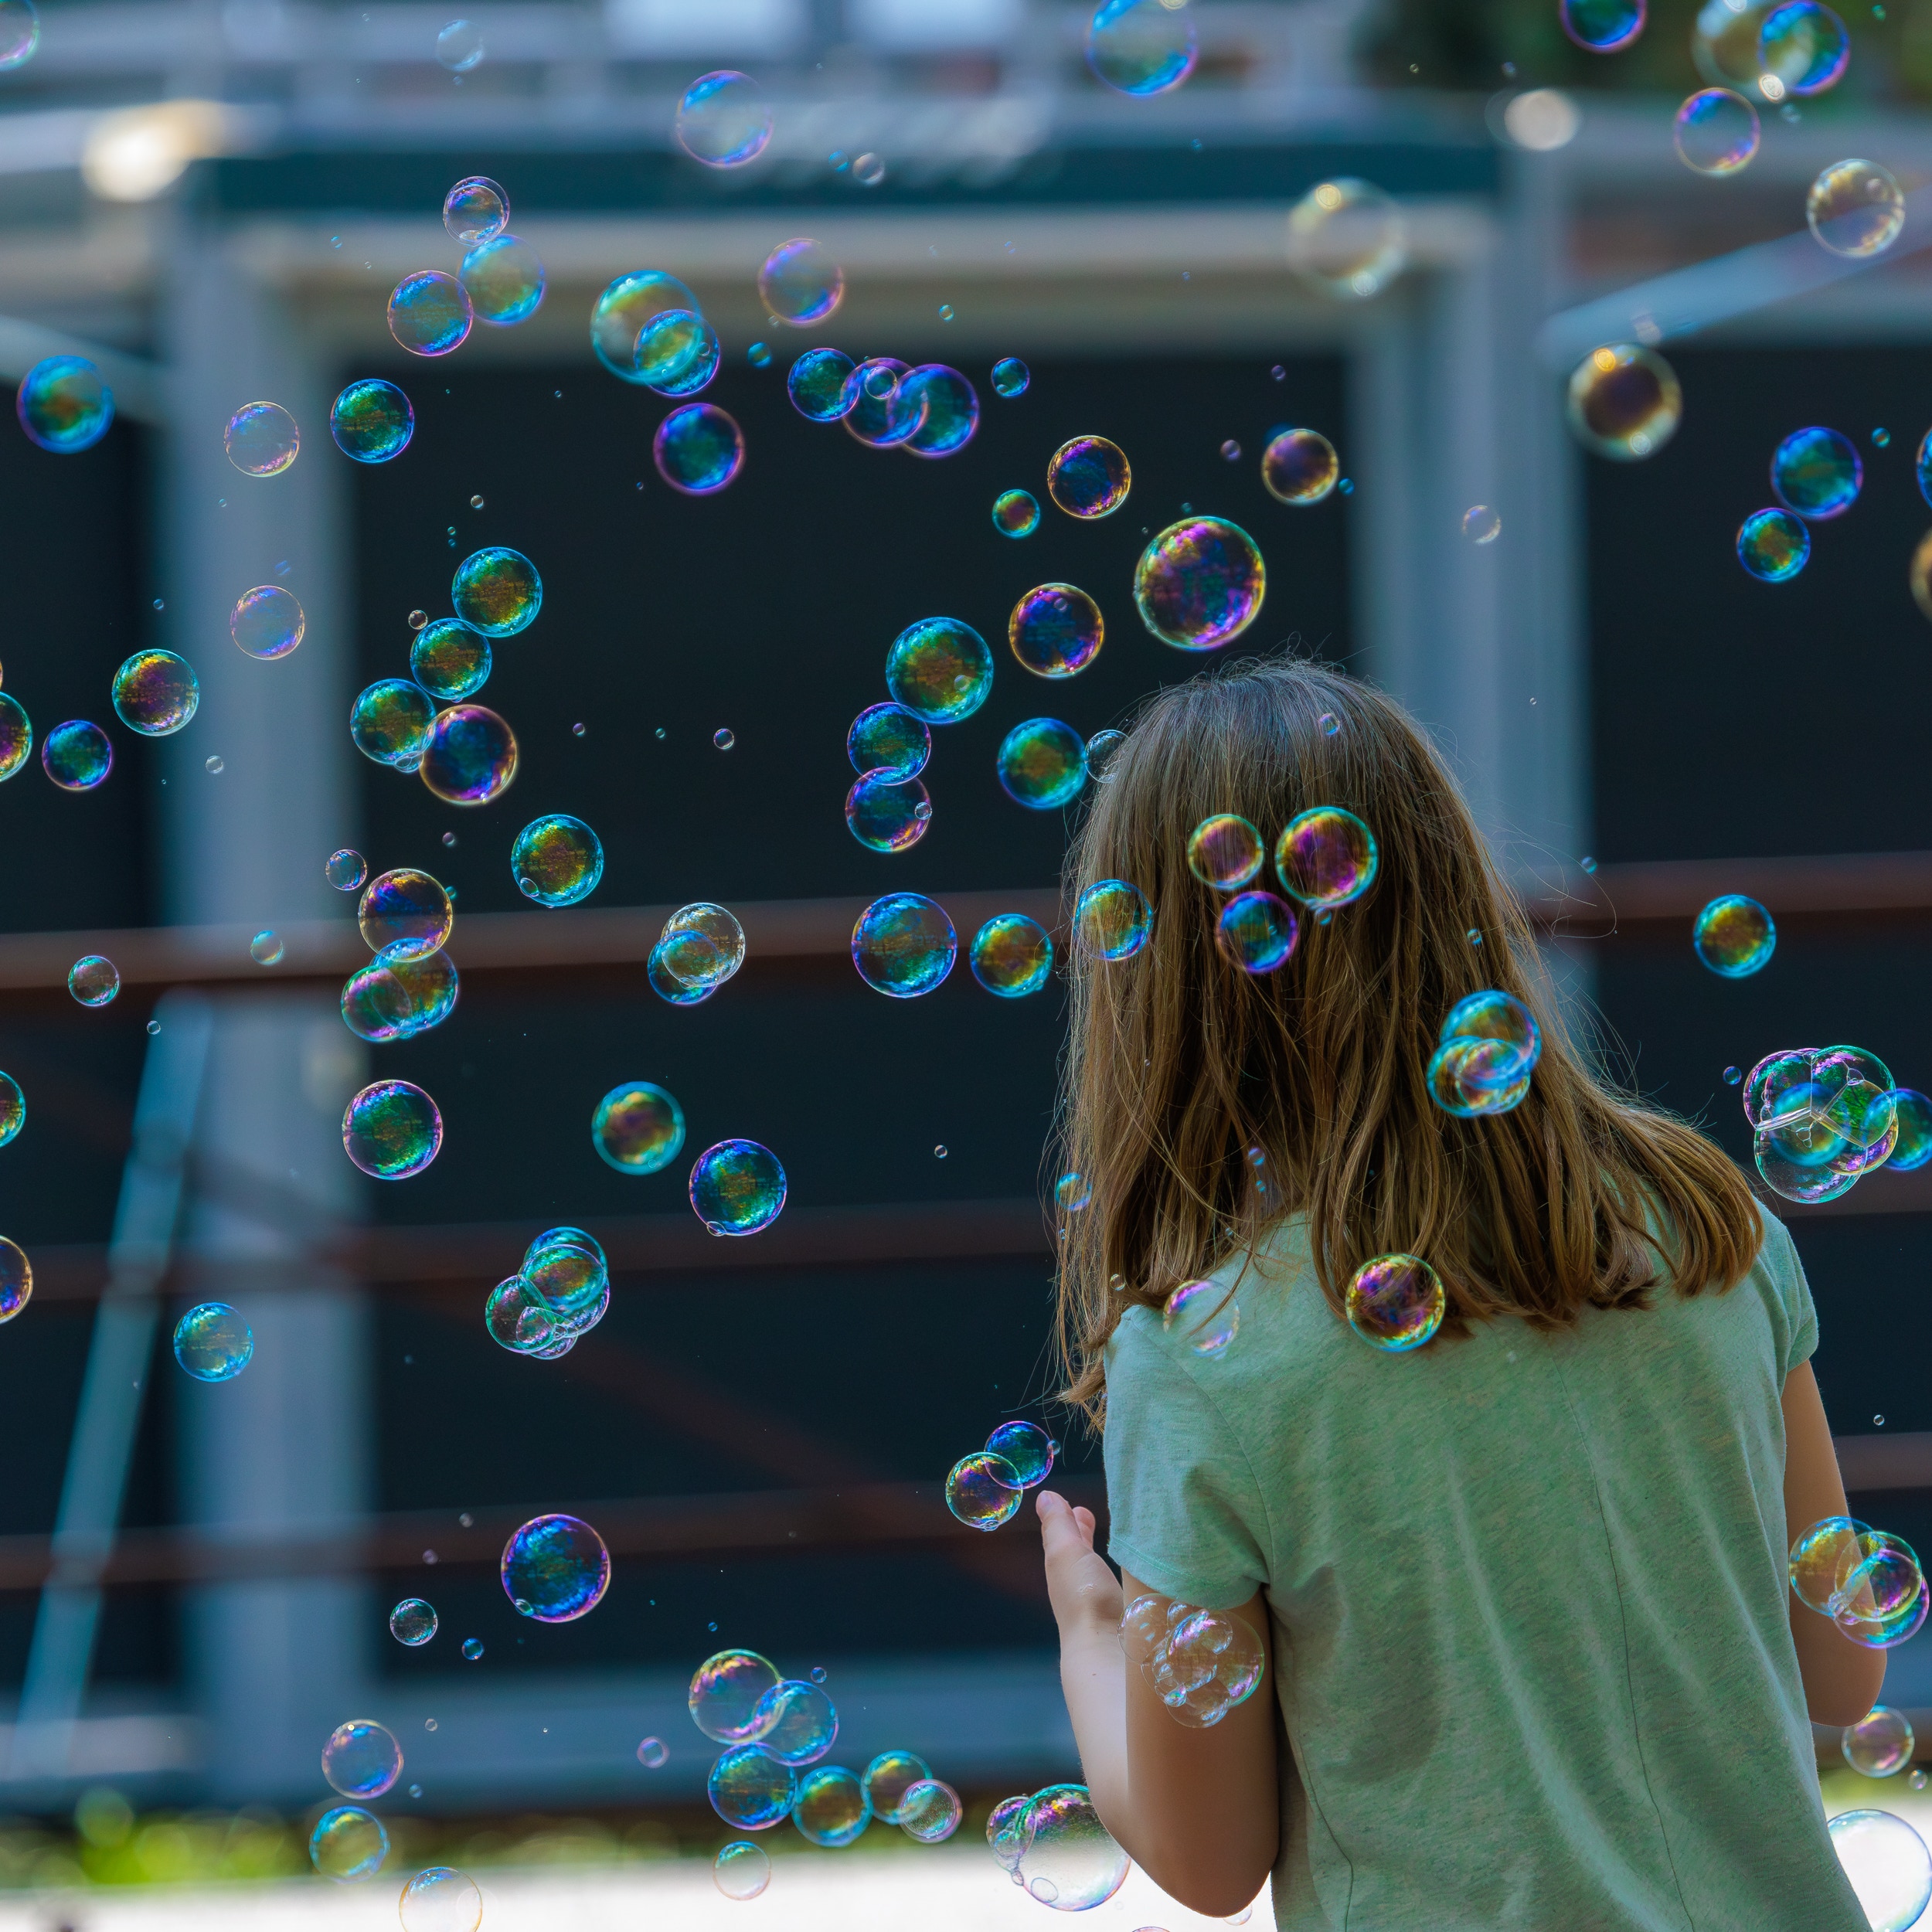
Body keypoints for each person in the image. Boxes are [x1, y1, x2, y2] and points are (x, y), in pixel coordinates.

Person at [1035, 661, 1880, 1931]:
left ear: (1152, 981)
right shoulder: (1706, 1221)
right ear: (1453, 896)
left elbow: (1211, 1863)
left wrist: (1092, 1636)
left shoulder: (1210, 1351)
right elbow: (1844, 1668)